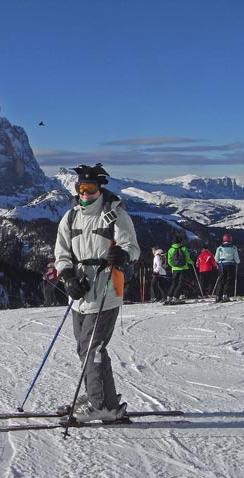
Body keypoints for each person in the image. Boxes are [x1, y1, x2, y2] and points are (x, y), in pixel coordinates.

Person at [55, 163, 140, 422]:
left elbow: (133, 248)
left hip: (106, 291)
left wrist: (123, 254)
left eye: (90, 188)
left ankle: (99, 404)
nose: (85, 193)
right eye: (81, 188)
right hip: (79, 295)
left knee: (93, 349)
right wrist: (68, 277)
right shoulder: (70, 218)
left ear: (100, 189)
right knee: (87, 349)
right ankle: (106, 402)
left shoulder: (116, 215)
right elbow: (61, 254)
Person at [164, 234, 194, 305]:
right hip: (183, 268)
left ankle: (169, 296)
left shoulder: (170, 249)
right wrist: (192, 262)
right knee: (181, 283)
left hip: (174, 269)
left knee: (174, 283)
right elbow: (187, 258)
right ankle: (176, 296)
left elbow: (169, 261)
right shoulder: (183, 248)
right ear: (180, 241)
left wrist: (173, 266)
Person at [214, 233, 240, 303]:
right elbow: (237, 259)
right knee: (228, 280)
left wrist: (219, 262)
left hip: (222, 265)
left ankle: (218, 296)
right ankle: (225, 295)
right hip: (230, 265)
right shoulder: (233, 247)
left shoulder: (219, 248)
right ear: (230, 239)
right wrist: (237, 262)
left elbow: (216, 259)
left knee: (221, 280)